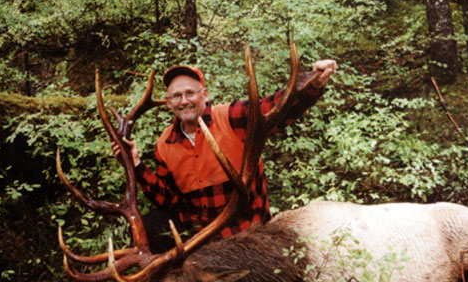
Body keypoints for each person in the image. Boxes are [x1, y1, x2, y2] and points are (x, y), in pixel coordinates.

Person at [114, 57, 337, 251]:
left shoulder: (231, 117)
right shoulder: (165, 144)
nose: (184, 101)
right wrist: (136, 165)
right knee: (146, 226)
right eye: (176, 96)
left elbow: (275, 107)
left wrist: (311, 84)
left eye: (190, 93)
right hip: (200, 236)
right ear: (169, 102)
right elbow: (169, 201)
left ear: (205, 95)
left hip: (246, 232)